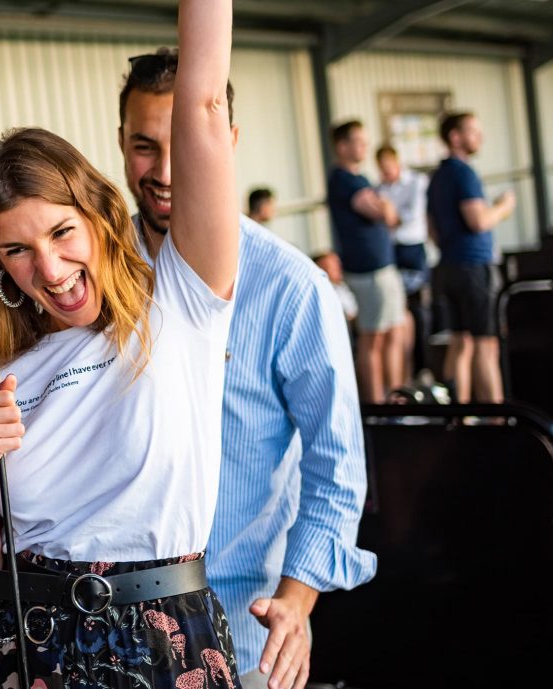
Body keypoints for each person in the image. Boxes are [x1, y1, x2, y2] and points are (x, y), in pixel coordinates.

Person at [0, 2, 240, 687]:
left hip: (164, 635)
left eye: (62, 233)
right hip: (29, 642)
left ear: (99, 216)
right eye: (17, 249)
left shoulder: (182, 302)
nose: (47, 267)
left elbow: (202, 107)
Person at [118, 50, 374, 689]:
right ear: (120, 143)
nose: (167, 170)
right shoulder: (90, 279)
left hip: (239, 631)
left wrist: (296, 599)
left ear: (227, 140)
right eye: (144, 146)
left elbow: (337, 468)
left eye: (186, 143)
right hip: (107, 636)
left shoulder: (292, 288)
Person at [427, 111, 515, 403]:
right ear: (455, 137)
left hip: (449, 266)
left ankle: (458, 419)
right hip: (475, 268)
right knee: (485, 346)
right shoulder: (463, 173)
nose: (480, 137)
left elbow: (433, 231)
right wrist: (503, 207)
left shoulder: (437, 177)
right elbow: (478, 220)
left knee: (460, 342)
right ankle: (499, 423)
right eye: (472, 131)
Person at [326, 120, 406, 402]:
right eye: (358, 141)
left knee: (395, 333)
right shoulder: (343, 180)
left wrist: (384, 205)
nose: (364, 146)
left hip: (384, 266)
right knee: (372, 341)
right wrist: (384, 204)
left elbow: (390, 214)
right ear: (342, 146)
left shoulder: (361, 180)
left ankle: (396, 397)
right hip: (367, 272)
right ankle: (378, 407)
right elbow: (381, 213)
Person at [376, 144, 430, 378]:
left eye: (389, 166)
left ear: (397, 162)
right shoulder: (379, 189)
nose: (386, 172)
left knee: (417, 310)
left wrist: (389, 214)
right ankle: (404, 371)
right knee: (398, 313)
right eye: (382, 168)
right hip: (391, 251)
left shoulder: (416, 182)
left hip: (412, 249)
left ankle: (422, 365)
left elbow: (409, 216)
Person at [312, 250, 358, 325]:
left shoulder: (342, 286)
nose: (337, 269)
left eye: (337, 265)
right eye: (331, 267)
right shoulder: (322, 293)